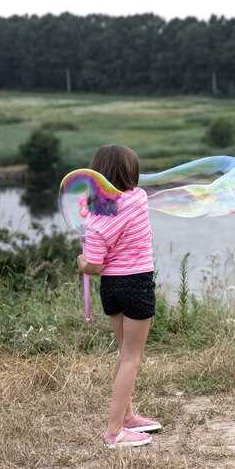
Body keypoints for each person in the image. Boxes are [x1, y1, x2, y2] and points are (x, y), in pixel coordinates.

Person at [77, 144, 161, 449]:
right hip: (136, 284)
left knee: (124, 354)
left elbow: (94, 264)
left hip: (111, 288)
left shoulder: (94, 215)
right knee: (131, 358)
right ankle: (114, 432)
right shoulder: (138, 199)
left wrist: (82, 263)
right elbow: (129, 195)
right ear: (130, 175)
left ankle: (126, 418)